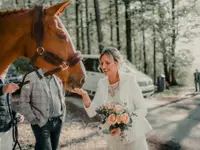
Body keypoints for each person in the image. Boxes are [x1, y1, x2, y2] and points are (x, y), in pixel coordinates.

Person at [73, 47, 152, 150]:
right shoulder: (102, 83)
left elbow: (142, 109)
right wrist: (85, 97)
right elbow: (92, 111)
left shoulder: (129, 80)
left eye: (107, 62)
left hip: (134, 137)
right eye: (101, 63)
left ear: (117, 62)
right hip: (114, 139)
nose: (103, 66)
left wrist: (125, 122)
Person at [19, 68, 66, 150]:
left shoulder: (57, 76)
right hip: (41, 123)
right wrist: (33, 120)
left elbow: (61, 96)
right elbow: (23, 101)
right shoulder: (31, 76)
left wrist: (62, 116)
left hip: (58, 121)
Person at [0, 67, 24, 150]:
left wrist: (15, 114)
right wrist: (3, 88)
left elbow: (6, 106)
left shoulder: (6, 82)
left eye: (8, 66)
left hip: (7, 127)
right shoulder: (5, 85)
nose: (6, 68)